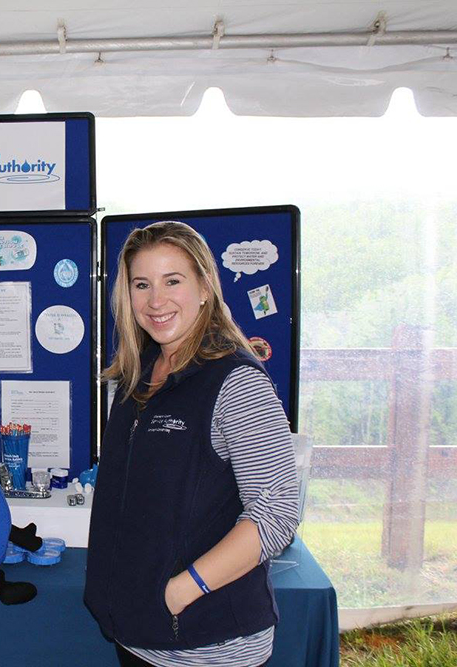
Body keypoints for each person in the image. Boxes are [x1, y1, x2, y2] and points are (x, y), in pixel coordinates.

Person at [84, 221, 299, 667]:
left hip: (208, 644)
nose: (155, 301)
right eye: (142, 284)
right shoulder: (136, 376)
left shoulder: (236, 383)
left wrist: (183, 590)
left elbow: (277, 512)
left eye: (172, 281)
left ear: (204, 287)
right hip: (138, 632)